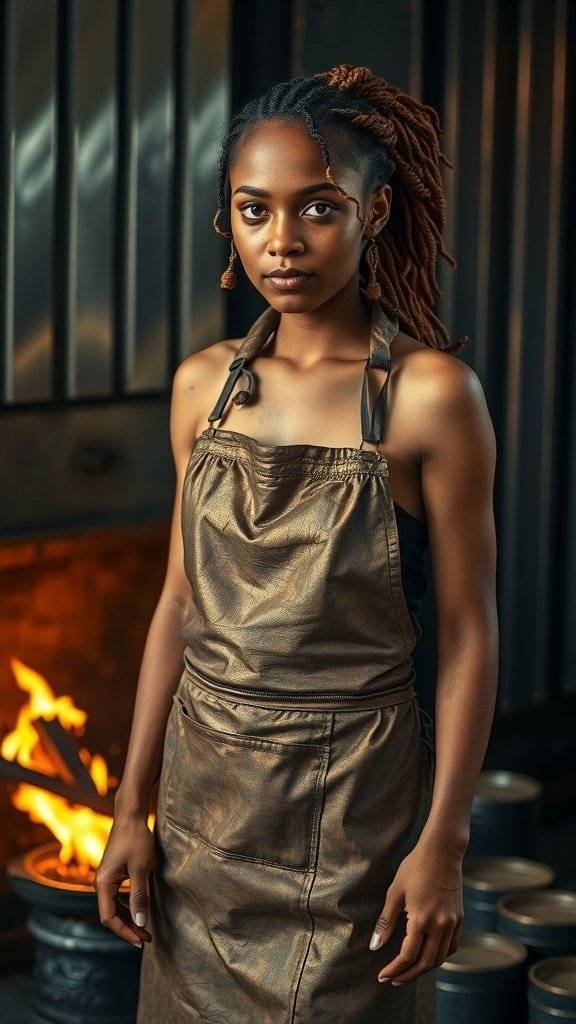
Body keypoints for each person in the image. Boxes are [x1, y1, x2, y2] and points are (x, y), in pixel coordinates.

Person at [95, 64, 498, 1023]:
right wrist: (128, 807)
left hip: (357, 806)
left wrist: (443, 840)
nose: (283, 241)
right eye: (254, 209)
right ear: (229, 223)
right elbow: (179, 608)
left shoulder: (431, 395)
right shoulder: (204, 387)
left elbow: (468, 630)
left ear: (376, 211)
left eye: (318, 207)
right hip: (204, 804)